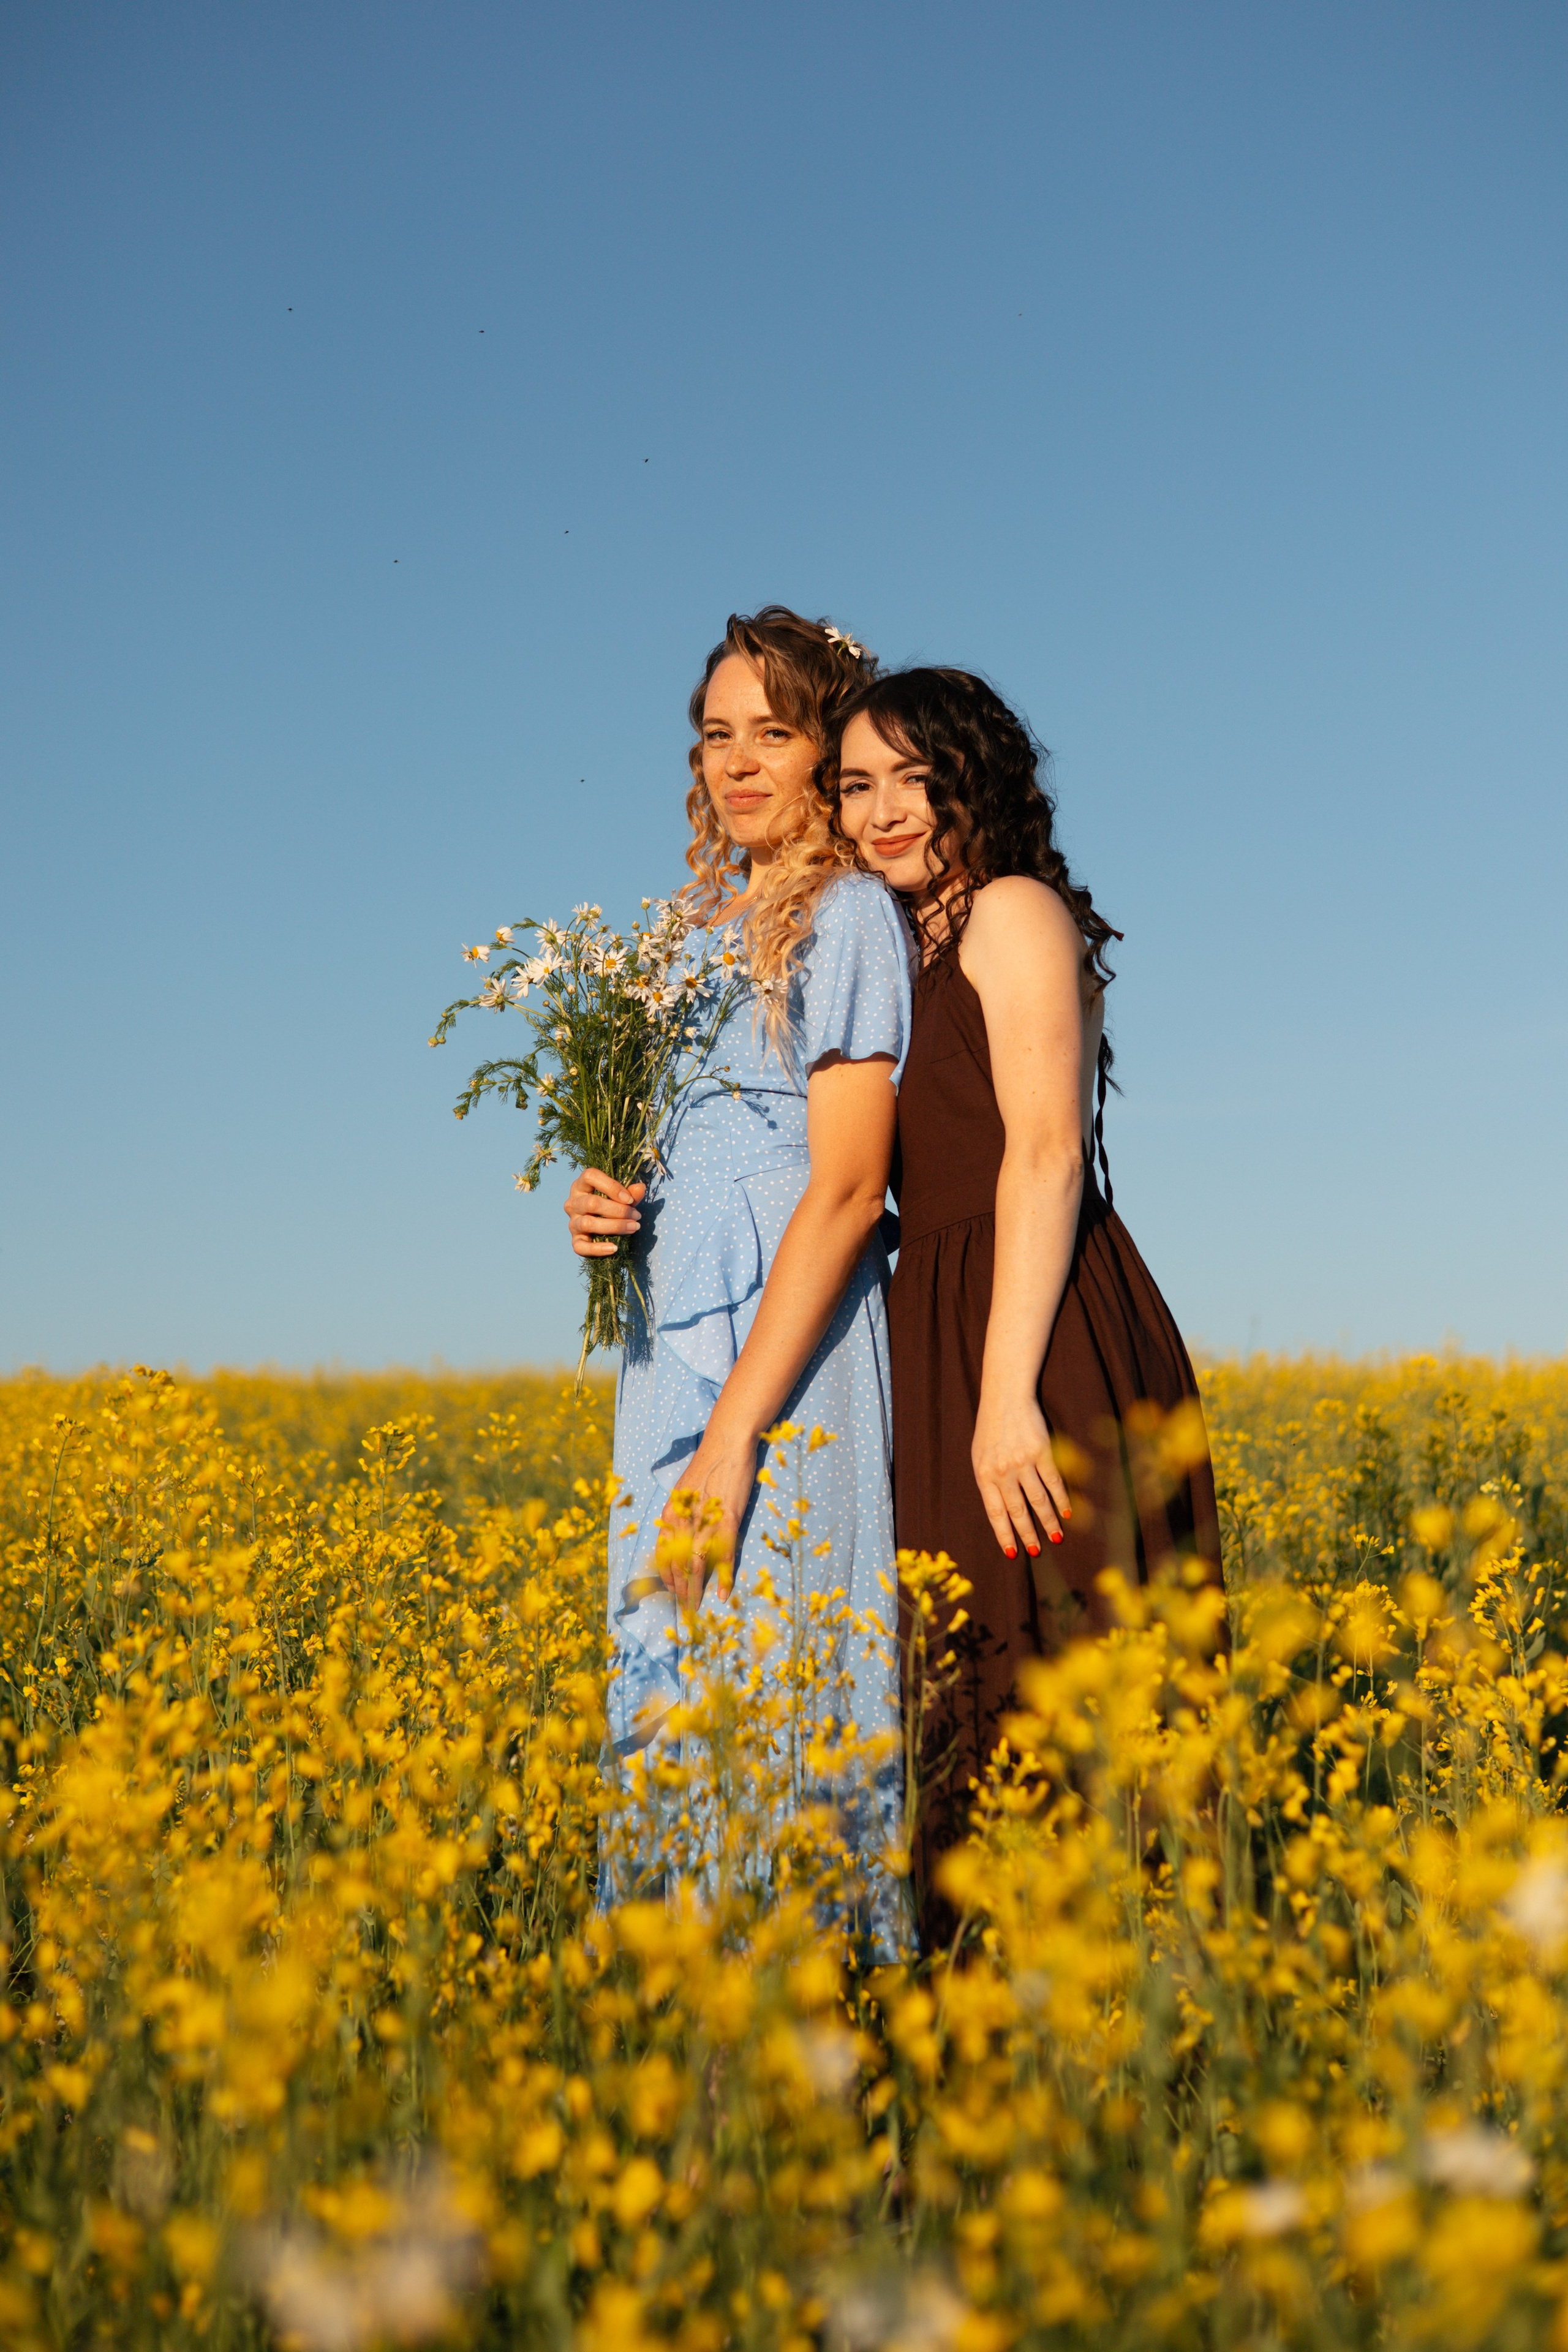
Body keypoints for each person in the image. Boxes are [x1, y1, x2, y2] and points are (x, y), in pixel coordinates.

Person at [824, 666, 1222, 1927]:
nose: (881, 809)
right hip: (938, 1328)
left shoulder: (1008, 912)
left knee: (1067, 1671)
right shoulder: (885, 948)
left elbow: (1044, 1153)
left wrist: (1004, 1400)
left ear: (971, 779)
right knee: (965, 1693)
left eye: (910, 778)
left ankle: (1133, 2037)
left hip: (1036, 1330)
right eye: (853, 785)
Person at [563, 608, 916, 1954]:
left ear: (826, 748)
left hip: (788, 1363)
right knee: (674, 1686)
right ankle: (687, 2068)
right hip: (671, 1352)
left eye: (773, 731)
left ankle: (810, 2067)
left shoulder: (844, 915)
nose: (740, 760)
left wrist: (728, 1444)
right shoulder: (689, 934)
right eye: (718, 735)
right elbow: (682, 1152)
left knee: (780, 1679)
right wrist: (602, 1207)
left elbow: (842, 1189)